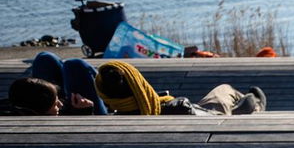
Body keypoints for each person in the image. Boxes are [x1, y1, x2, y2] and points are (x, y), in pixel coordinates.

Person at [95, 60, 266, 115]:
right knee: (224, 90)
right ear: (139, 84)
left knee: (225, 93)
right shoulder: (175, 107)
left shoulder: (117, 115)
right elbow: (210, 118)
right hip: (205, 116)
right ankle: (256, 105)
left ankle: (248, 100)